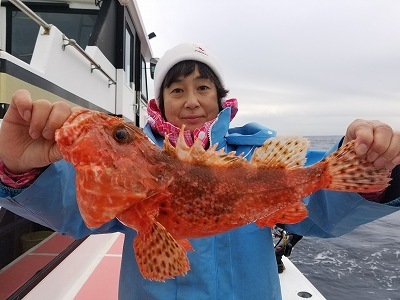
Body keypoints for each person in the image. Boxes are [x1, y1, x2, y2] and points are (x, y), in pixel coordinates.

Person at [0, 42, 400, 300]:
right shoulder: (138, 166)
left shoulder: (256, 156)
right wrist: (18, 171)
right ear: (159, 103)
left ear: (221, 97)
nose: (191, 101)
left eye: (203, 88)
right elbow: (77, 206)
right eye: (176, 90)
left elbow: (318, 203)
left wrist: (373, 161)